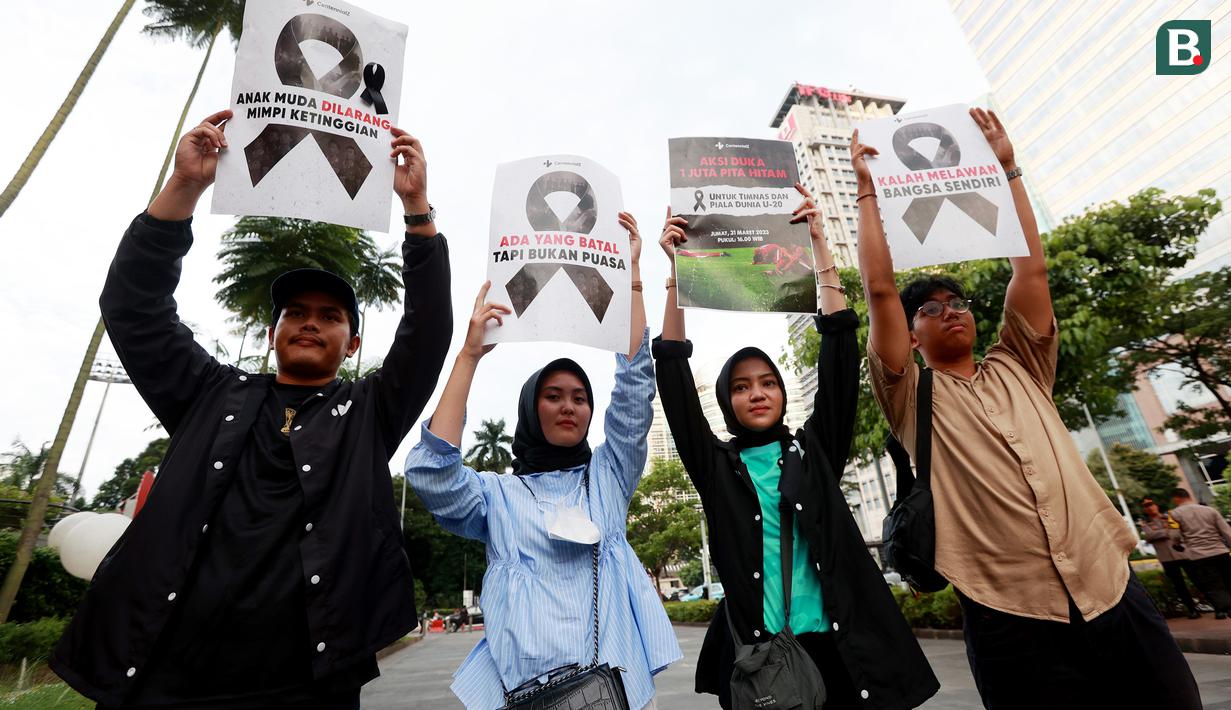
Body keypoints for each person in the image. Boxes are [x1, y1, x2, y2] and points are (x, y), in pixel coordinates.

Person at [50, 110, 452, 709]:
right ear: (272, 332)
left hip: (309, 685)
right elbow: (133, 306)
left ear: (355, 344)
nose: (311, 320)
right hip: (165, 679)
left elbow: (427, 336)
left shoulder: (369, 411)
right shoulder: (209, 393)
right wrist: (186, 185)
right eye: (295, 312)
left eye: (332, 315)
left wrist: (418, 213)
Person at [852, 108, 1201, 708]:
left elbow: (1030, 267)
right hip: (1009, 614)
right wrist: (865, 191)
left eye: (957, 301)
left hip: (1111, 588)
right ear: (910, 337)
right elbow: (880, 289)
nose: (950, 311)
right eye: (930, 309)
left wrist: (1008, 170)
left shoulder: (1021, 362)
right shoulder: (910, 395)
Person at [653, 190, 938, 710]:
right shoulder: (717, 467)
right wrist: (675, 274)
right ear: (726, 401)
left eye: (767, 382)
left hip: (842, 652)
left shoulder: (815, 452)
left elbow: (838, 353)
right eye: (740, 386)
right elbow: (672, 378)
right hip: (765, 666)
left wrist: (819, 245)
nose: (756, 393)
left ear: (783, 394)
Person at [403, 213, 680, 710]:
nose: (569, 406)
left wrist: (632, 276)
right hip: (528, 696)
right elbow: (433, 475)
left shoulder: (608, 477)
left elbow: (636, 387)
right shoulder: (499, 497)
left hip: (617, 695)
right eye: (553, 396)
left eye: (579, 396)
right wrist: (468, 355)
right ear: (532, 407)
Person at [1169, 487, 1231, 618]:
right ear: (1189, 496)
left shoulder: (1174, 514)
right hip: (1221, 552)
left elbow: (1174, 535)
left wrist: (1176, 544)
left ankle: (1225, 609)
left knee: (1213, 584)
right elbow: (1227, 532)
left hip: (1199, 556)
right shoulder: (1210, 510)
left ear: (1176, 498)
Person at [1140, 497, 1201, 619]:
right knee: (1179, 585)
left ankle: (1217, 606)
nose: (1149, 507)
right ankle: (1192, 609)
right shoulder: (1146, 524)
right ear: (1144, 509)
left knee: (1197, 580)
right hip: (1166, 558)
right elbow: (1149, 536)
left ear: (1156, 505)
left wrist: (1160, 533)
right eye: (1146, 506)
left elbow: (1178, 530)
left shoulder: (1170, 517)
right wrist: (1166, 531)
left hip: (1182, 554)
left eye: (1151, 504)